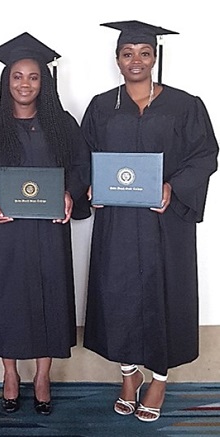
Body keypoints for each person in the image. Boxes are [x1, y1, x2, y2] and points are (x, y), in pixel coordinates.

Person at [81, 20, 219, 422]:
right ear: (117, 60)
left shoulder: (184, 104)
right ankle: (128, 375)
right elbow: (84, 155)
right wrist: (90, 186)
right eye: (127, 54)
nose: (135, 60)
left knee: (165, 296)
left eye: (144, 53)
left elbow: (205, 155)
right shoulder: (102, 105)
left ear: (155, 58)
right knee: (117, 294)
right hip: (119, 223)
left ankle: (159, 378)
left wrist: (174, 187)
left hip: (165, 223)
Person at [0, 32, 91, 415]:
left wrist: (69, 193)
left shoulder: (63, 125)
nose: (24, 84)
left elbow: (81, 169)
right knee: (7, 302)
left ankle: (42, 375)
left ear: (44, 81)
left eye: (33, 77)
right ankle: (9, 373)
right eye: (17, 76)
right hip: (4, 233)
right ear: (6, 81)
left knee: (50, 298)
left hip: (49, 230)